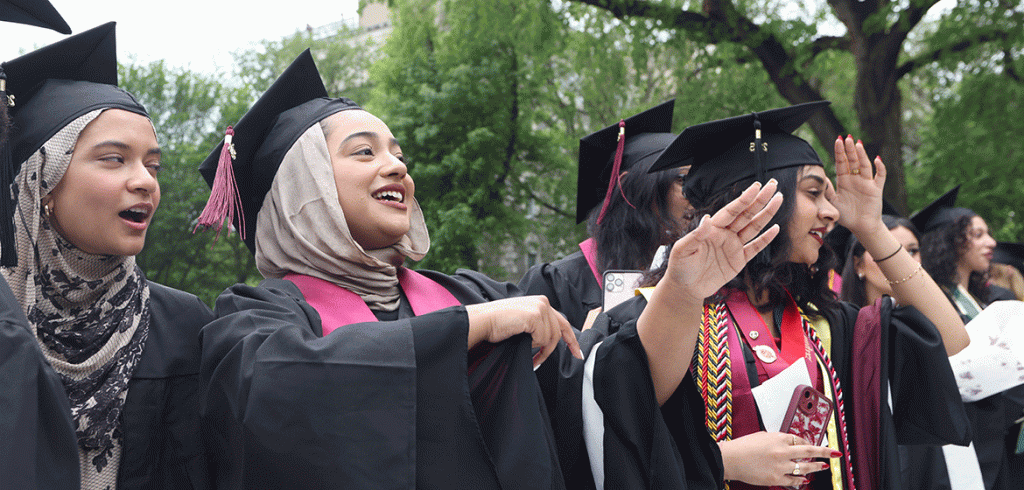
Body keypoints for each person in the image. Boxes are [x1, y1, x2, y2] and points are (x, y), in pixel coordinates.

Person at [194, 50, 782, 489]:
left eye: (399, 153)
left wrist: (682, 292)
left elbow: (605, 400)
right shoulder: (257, 318)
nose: (398, 166)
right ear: (306, 192)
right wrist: (471, 327)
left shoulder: (469, 294)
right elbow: (279, 395)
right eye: (365, 151)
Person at [633, 101, 971, 489]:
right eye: (814, 192)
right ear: (757, 198)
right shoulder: (663, 313)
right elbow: (624, 436)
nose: (832, 212)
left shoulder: (829, 324)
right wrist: (721, 461)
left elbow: (950, 337)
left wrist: (871, 227)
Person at [2, 23, 212, 489]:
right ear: (43, 183)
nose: (145, 181)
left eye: (152, 165)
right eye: (114, 159)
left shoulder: (183, 326)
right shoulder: (4, 321)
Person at [519, 100, 691, 329]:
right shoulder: (558, 284)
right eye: (682, 181)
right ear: (633, 189)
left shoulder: (688, 278)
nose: (696, 195)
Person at [911, 187, 1023, 490]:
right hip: (964, 431)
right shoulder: (933, 301)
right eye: (977, 235)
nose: (991, 243)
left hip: (1003, 432)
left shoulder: (990, 298)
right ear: (952, 241)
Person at [838, 215, 922, 306]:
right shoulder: (840, 319)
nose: (904, 260)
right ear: (858, 265)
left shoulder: (934, 317)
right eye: (887, 252)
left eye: (912, 251)